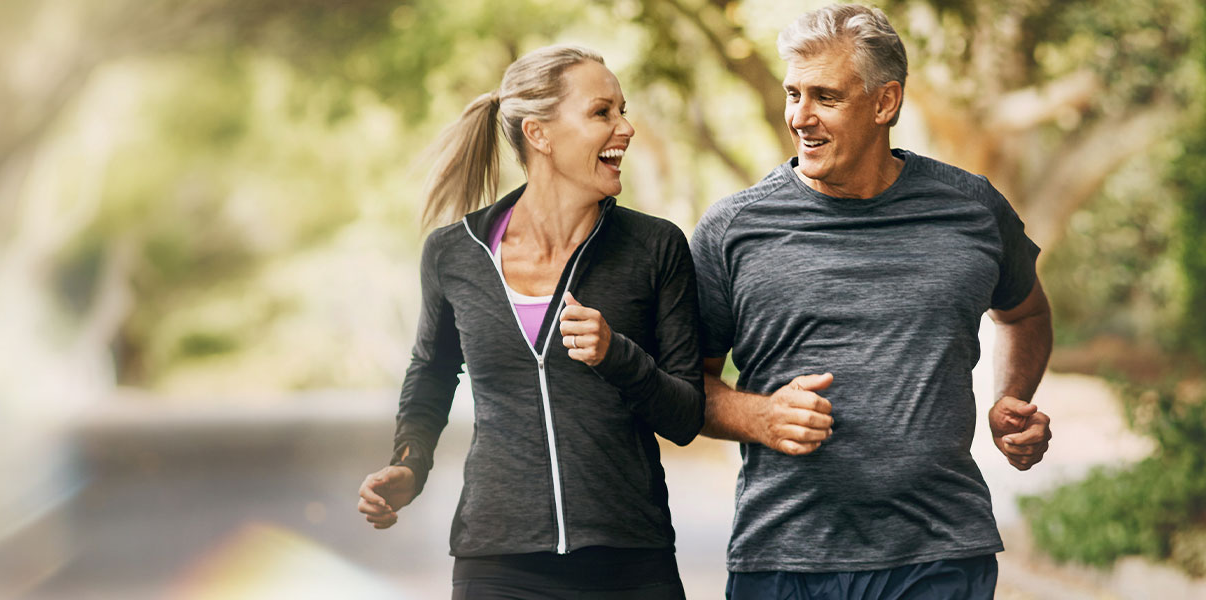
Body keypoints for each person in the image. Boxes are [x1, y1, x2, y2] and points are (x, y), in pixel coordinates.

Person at [689, 5, 1054, 599]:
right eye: (792, 94)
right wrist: (759, 416)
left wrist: (1012, 398)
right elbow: (685, 386)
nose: (799, 118)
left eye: (825, 97)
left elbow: (1025, 312)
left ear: (886, 103)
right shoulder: (734, 228)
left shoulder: (972, 208)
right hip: (783, 558)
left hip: (939, 553)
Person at [356, 44, 705, 599]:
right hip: (498, 564)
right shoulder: (456, 253)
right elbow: (430, 375)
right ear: (539, 134)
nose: (627, 128)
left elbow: (687, 414)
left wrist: (618, 356)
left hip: (630, 562)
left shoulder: (654, 247)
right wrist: (409, 465)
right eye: (602, 112)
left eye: (623, 110)